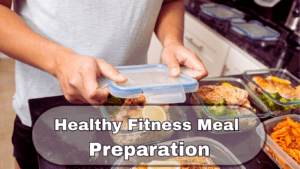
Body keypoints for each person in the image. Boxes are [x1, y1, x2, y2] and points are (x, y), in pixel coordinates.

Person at [0, 0, 208, 168]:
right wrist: (59, 61)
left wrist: (172, 41)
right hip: (45, 113)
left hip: (131, 116)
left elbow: (168, 2)